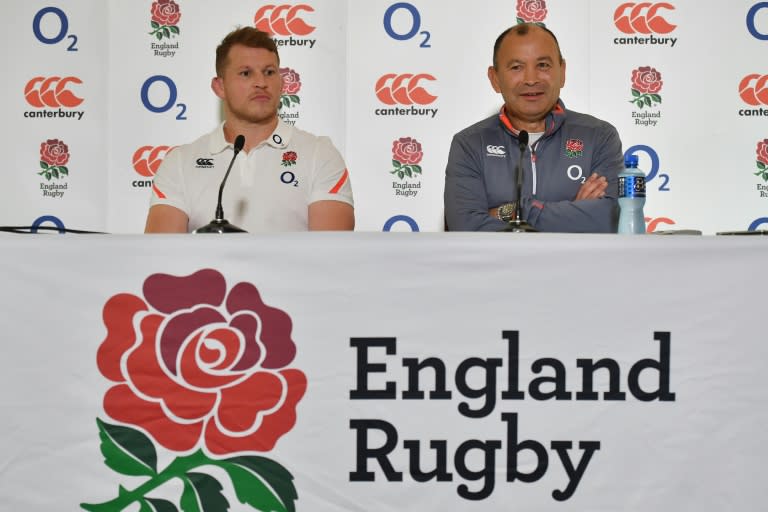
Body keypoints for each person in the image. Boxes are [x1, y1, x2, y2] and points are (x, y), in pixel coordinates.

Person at [145, 27, 354, 233]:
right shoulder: (180, 162)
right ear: (220, 87)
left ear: (281, 83)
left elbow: (331, 257)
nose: (261, 83)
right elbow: (163, 257)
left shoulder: (320, 154)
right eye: (246, 73)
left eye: (269, 72)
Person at [444, 23, 623, 232]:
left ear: (562, 71)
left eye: (543, 65)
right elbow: (465, 226)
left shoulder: (599, 137)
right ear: (495, 79)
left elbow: (609, 219)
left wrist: (518, 212)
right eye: (516, 67)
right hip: (500, 265)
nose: (531, 79)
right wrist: (575, 211)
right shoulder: (470, 144)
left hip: (574, 265)